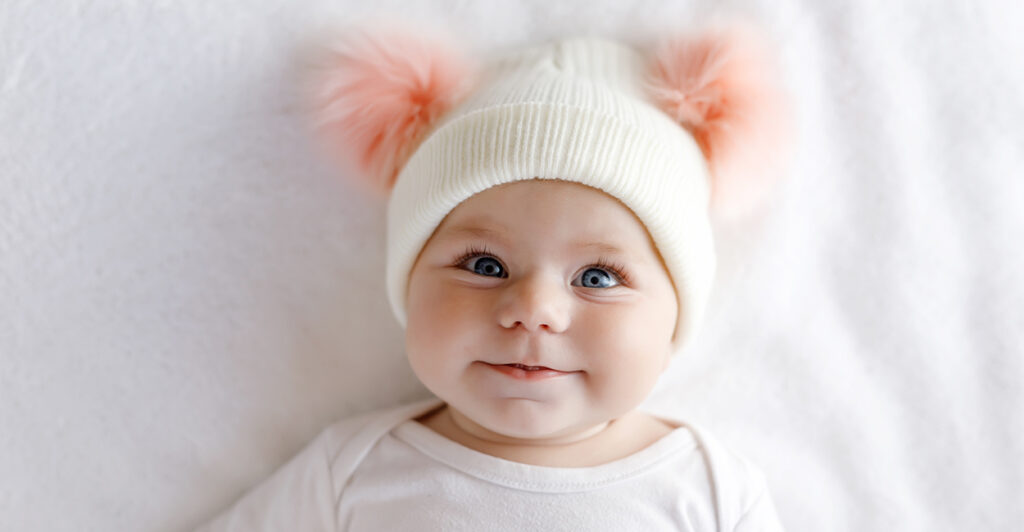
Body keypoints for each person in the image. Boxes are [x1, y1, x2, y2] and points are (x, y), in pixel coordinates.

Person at [196, 16, 792, 531]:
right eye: (485, 265)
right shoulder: (349, 472)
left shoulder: (711, 491)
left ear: (675, 319)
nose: (533, 308)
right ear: (411, 287)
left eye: (597, 278)